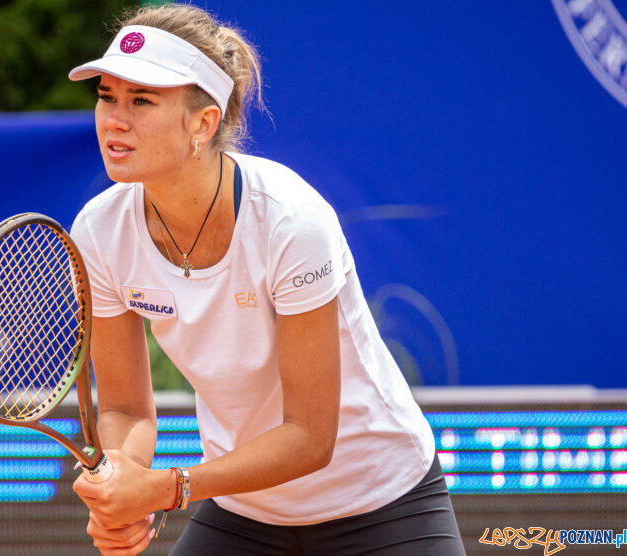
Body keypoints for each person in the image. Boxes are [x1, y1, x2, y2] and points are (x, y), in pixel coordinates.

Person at [67, 4, 465, 555]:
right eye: (107, 96)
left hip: (382, 504)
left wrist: (165, 488)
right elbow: (124, 410)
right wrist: (125, 481)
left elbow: (309, 438)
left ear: (202, 124)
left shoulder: (291, 222)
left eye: (141, 101)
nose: (113, 119)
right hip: (244, 513)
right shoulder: (98, 230)